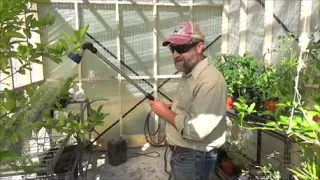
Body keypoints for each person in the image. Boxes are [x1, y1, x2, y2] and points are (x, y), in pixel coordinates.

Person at [149, 21, 228, 180]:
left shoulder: (210, 81)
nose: (176, 54)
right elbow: (191, 106)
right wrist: (172, 107)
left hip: (194, 159)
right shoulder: (189, 72)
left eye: (182, 48)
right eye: (173, 49)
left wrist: (164, 113)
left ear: (199, 47)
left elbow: (197, 130)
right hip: (186, 156)